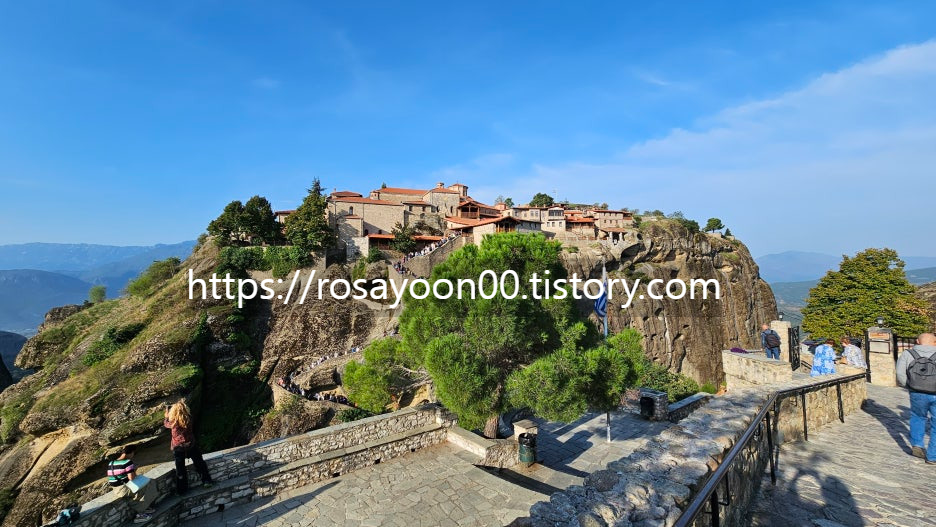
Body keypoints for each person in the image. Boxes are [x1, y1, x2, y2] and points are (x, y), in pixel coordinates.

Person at [896, 333, 936, 464]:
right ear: (935, 342)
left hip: (917, 392)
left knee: (918, 417)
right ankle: (932, 456)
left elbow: (900, 373)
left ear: (918, 341)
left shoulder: (908, 354)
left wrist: (909, 386)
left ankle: (917, 444)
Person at [164, 400, 214, 494]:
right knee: (200, 464)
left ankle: (182, 490)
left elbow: (166, 424)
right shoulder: (189, 419)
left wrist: (167, 416)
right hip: (191, 445)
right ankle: (206, 481)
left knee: (180, 469)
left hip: (178, 448)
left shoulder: (172, 423)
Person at [107, 444, 158, 523]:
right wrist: (134, 469)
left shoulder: (111, 463)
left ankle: (144, 508)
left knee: (142, 487)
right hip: (124, 489)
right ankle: (141, 513)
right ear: (131, 452)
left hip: (116, 490)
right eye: (134, 453)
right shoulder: (128, 462)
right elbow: (132, 478)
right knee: (151, 483)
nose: (133, 456)